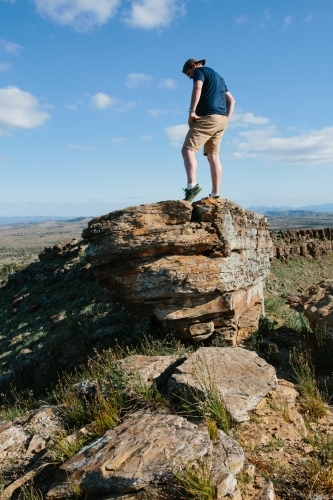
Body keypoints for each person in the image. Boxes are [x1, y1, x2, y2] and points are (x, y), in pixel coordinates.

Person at [181, 58, 235, 202]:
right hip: (221, 119)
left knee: (188, 150)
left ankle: (192, 186)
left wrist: (192, 112)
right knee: (213, 156)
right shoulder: (219, 78)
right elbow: (231, 100)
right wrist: (226, 120)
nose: (191, 77)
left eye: (189, 74)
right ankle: (215, 194)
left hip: (208, 117)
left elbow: (197, 87)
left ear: (193, 66)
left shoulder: (199, 71)